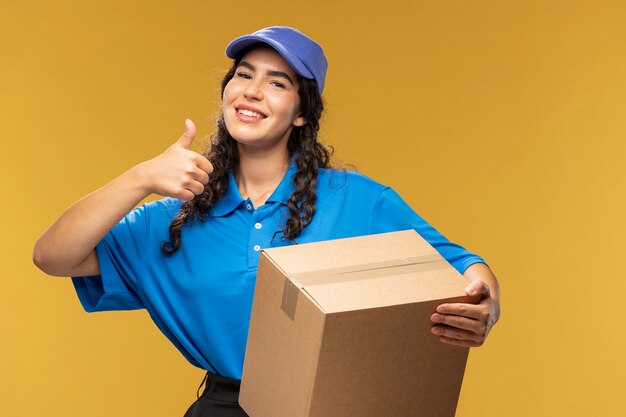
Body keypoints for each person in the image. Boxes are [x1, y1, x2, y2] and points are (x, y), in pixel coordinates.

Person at [33, 26, 501, 417]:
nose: (253, 91)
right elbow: (52, 256)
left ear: (301, 113)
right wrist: (140, 179)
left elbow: (464, 267)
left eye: (278, 83)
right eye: (243, 75)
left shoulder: (357, 200)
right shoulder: (173, 217)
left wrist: (484, 306)